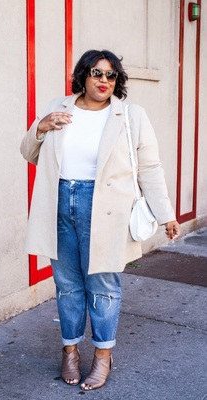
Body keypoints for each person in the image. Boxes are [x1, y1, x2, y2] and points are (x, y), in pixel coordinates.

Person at [20, 49, 180, 391]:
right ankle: (70, 352)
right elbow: (29, 153)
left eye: (110, 75)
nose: (103, 80)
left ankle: (103, 357)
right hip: (60, 202)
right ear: (83, 76)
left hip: (105, 208)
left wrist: (165, 213)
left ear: (117, 80)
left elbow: (150, 167)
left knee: (103, 286)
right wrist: (41, 127)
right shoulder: (59, 107)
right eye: (96, 73)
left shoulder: (130, 116)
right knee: (67, 285)